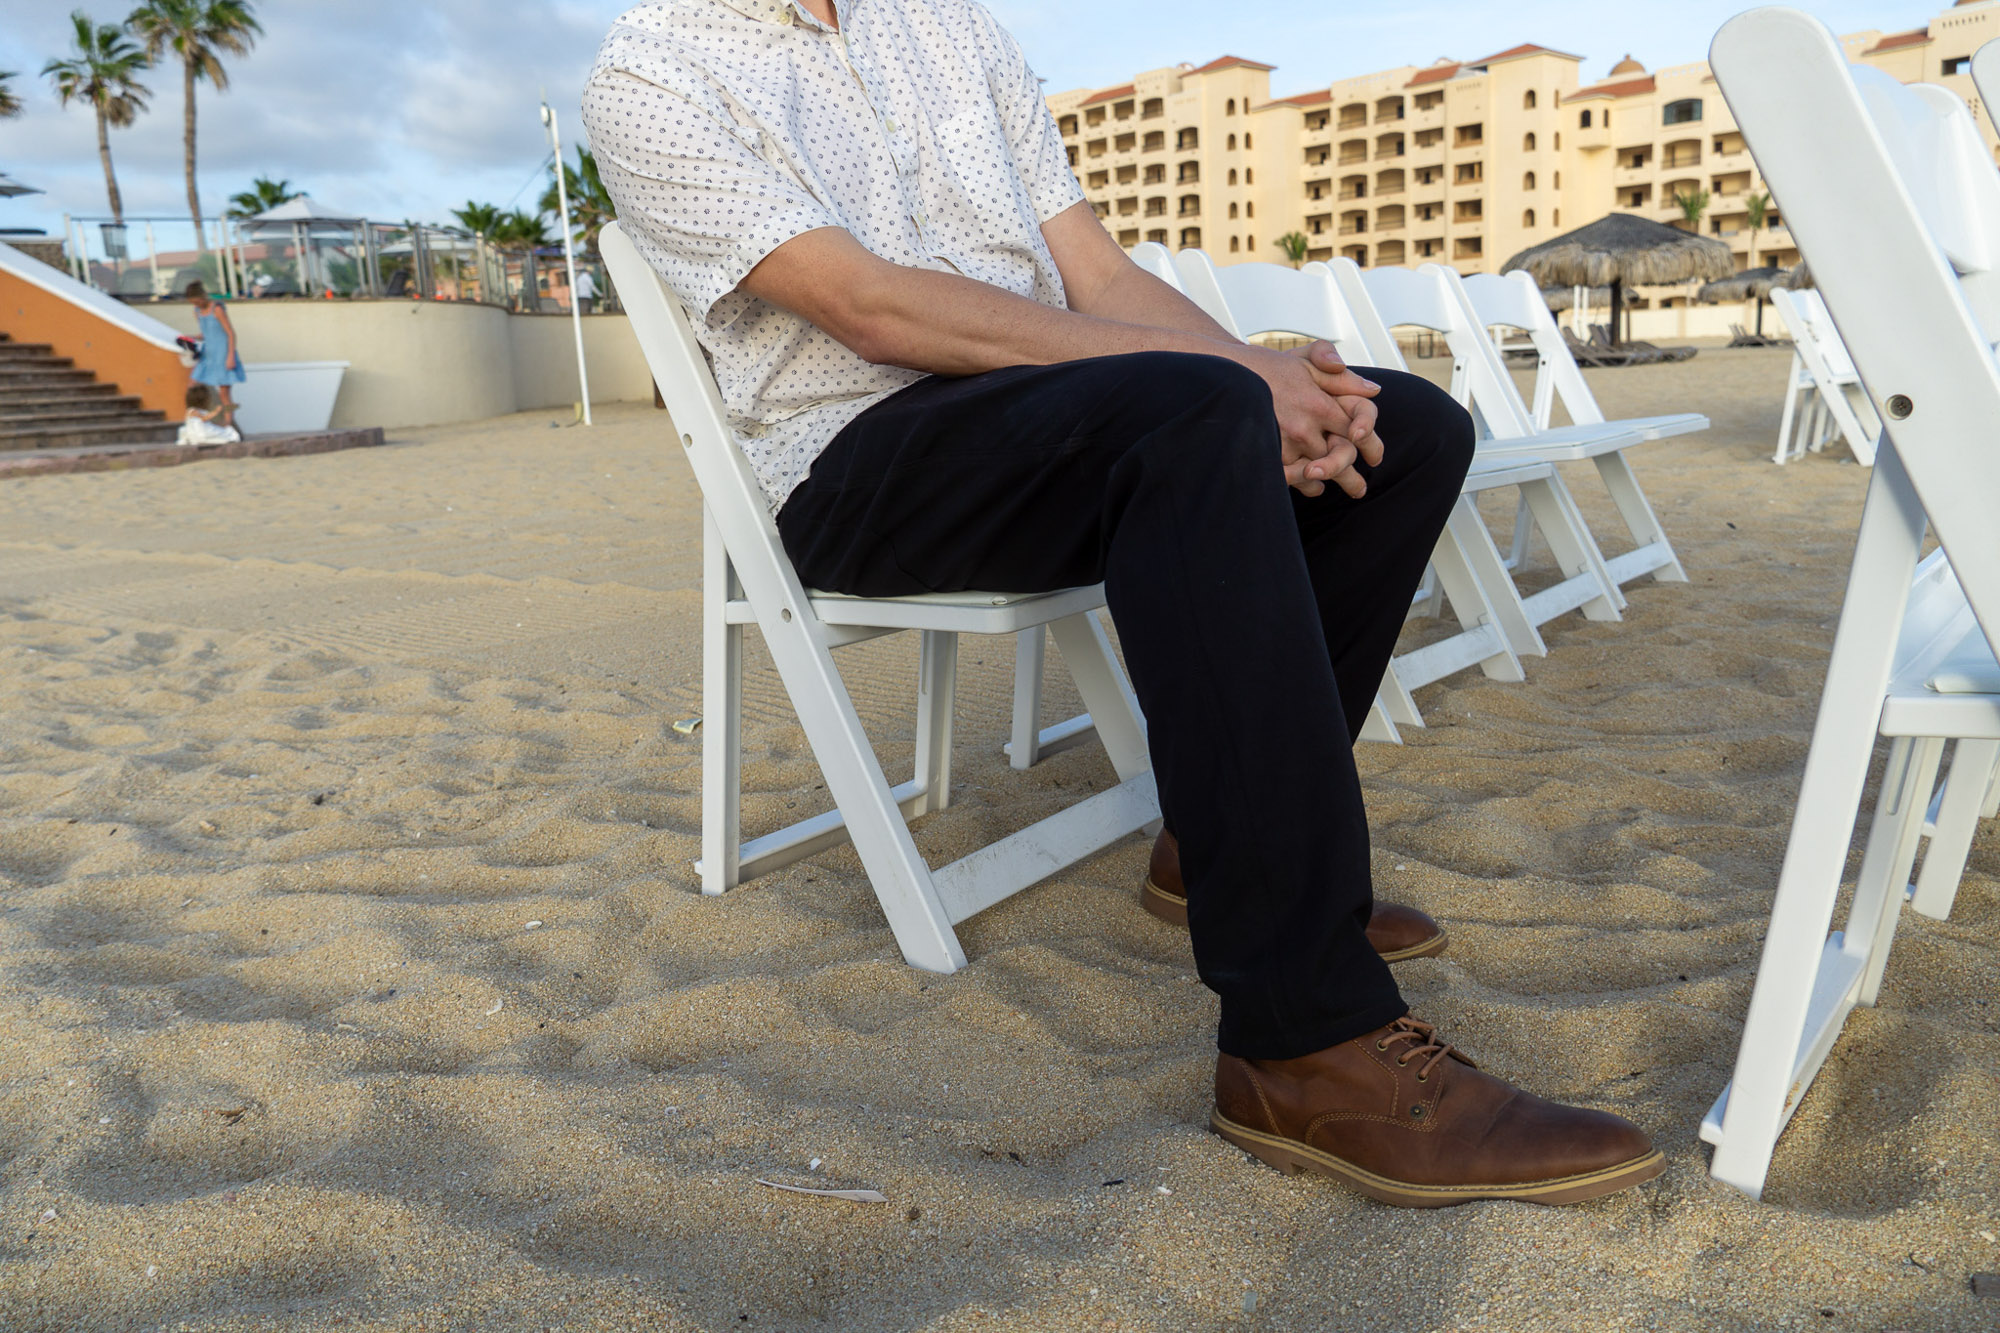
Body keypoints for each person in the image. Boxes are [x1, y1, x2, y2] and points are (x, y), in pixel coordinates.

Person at [584, 0, 1664, 1208]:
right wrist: (1229, 385)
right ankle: (1297, 1038)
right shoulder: (653, 71)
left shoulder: (949, 31)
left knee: (1402, 429)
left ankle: (1216, 854)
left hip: (1046, 418)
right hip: (850, 454)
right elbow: (869, 307)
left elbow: (1095, 272)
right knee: (1196, 412)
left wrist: (1279, 393)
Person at [184, 280, 245, 430]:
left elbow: (230, 333)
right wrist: (190, 337)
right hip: (208, 354)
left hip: (223, 354)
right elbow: (205, 334)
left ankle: (228, 424)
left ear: (201, 297)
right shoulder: (197, 312)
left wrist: (230, 356)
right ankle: (196, 419)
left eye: (196, 301)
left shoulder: (216, 309)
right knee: (192, 385)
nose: (196, 304)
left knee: (224, 394)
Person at [177, 382, 242, 446]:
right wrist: (216, 412)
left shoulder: (198, 410)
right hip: (201, 433)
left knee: (225, 430)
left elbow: (206, 421)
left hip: (202, 430)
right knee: (227, 431)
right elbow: (204, 418)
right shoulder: (193, 411)